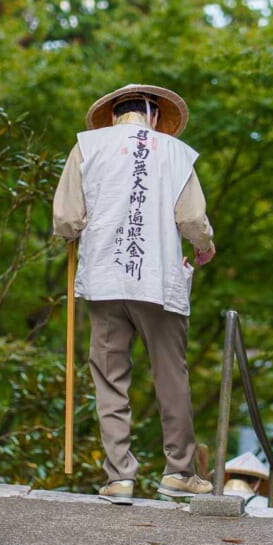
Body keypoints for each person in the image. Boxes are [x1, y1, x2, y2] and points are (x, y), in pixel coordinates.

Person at [52, 84, 217, 502]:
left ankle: (119, 477)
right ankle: (179, 472)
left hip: (105, 280)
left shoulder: (87, 148)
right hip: (159, 282)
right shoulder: (176, 153)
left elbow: (66, 220)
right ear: (154, 117)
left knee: (110, 378)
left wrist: (77, 229)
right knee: (170, 374)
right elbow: (192, 219)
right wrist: (204, 246)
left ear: (112, 116)